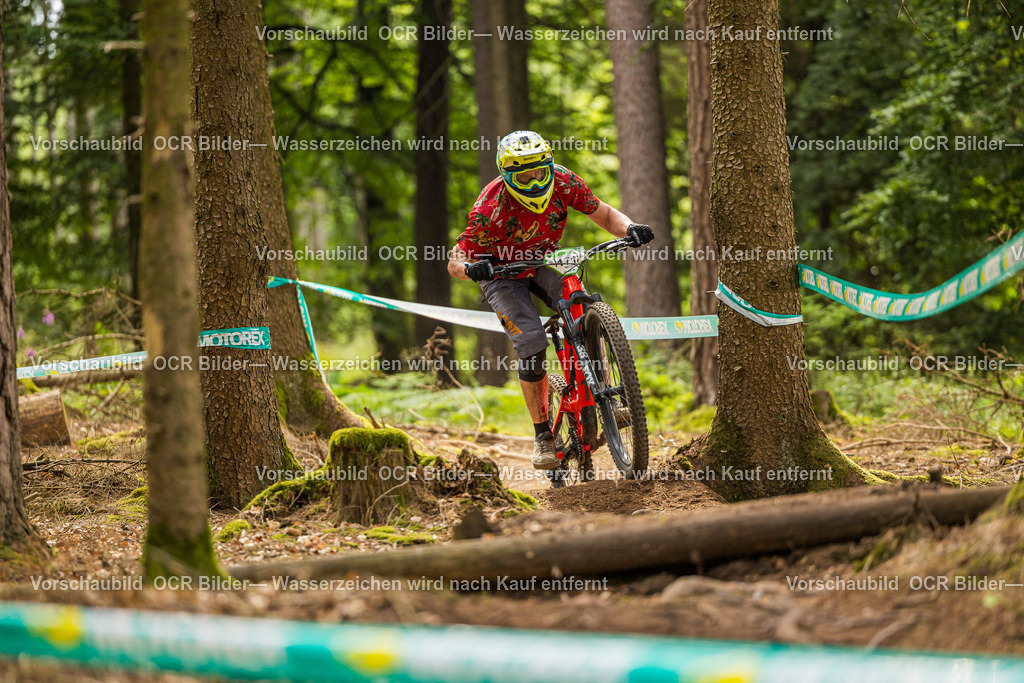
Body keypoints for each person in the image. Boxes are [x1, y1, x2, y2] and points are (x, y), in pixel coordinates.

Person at [447, 130, 653, 469]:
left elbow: (603, 213)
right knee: (531, 343)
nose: (532, 182)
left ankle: (606, 392)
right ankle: (543, 435)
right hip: (500, 273)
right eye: (522, 175)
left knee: (579, 301)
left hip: (543, 260)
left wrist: (631, 228)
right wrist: (472, 269)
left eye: (538, 172)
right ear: (506, 175)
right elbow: (456, 259)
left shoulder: (564, 181)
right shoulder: (489, 206)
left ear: (549, 166)